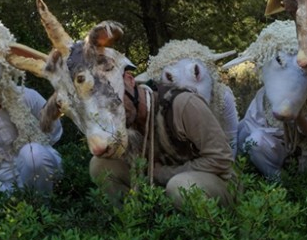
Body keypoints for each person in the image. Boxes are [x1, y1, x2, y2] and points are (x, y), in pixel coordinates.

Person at [89, 70, 235, 210]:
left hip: (216, 183)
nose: (114, 109)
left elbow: (220, 160)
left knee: (179, 186)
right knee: (100, 165)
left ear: (129, 79)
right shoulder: (121, 122)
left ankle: (213, 231)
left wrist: (162, 174)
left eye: (115, 95)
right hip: (160, 185)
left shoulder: (182, 104)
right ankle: (135, 225)